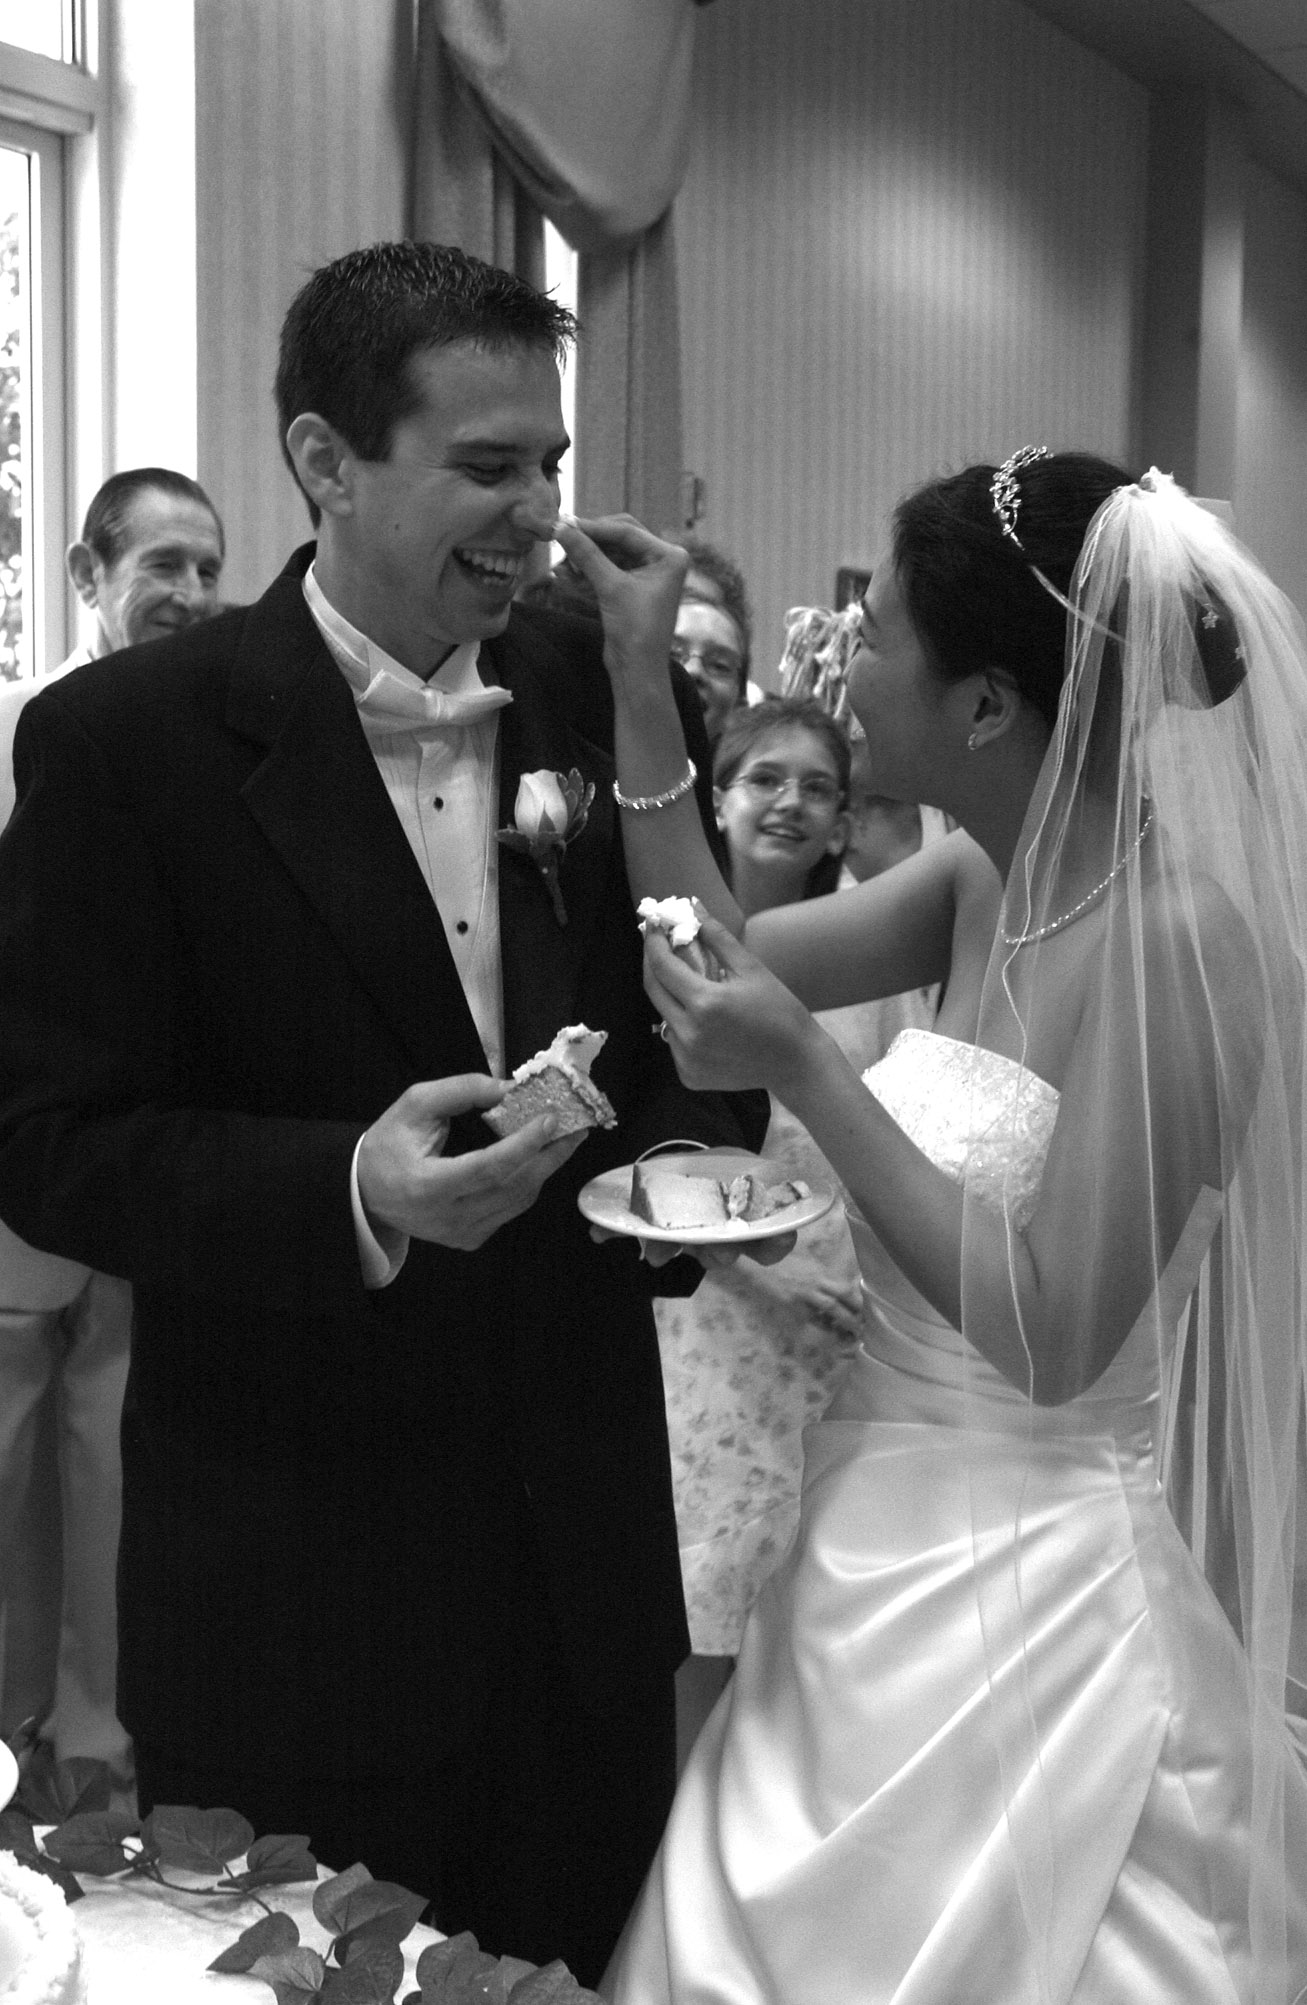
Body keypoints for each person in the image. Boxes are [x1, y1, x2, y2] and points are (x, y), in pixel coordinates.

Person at [0, 241, 767, 1985]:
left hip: (574, 1567)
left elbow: (692, 1033)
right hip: (293, 1589)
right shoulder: (130, 741)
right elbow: (49, 1139)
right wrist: (349, 1186)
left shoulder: (591, 684)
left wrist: (673, 1173)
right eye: (486, 468)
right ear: (326, 462)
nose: (538, 516)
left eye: (549, 463)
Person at [556, 451, 1307, 2001]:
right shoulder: (974, 873)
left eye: (880, 630)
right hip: (861, 1527)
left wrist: (811, 1072)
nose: (841, 657)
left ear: (982, 707)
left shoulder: (1181, 944)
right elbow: (711, 949)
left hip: (1041, 1596)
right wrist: (639, 684)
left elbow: (1052, 1333)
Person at [0, 467, 225, 1797]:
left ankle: (96, 1765)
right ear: (88, 576)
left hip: (149, 1174)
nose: (190, 593)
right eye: (162, 566)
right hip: (19, 1170)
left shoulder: (215, 750)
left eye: (208, 568)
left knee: (116, 1478)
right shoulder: (16, 727)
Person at [657, 698, 864, 1765]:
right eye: (765, 779)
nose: (790, 802)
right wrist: (757, 1274)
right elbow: (640, 1162)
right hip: (713, 1319)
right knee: (706, 1610)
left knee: (814, 1636)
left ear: (842, 823)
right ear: (717, 800)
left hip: (841, 1333)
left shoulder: (877, 958)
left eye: (817, 787)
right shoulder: (669, 960)